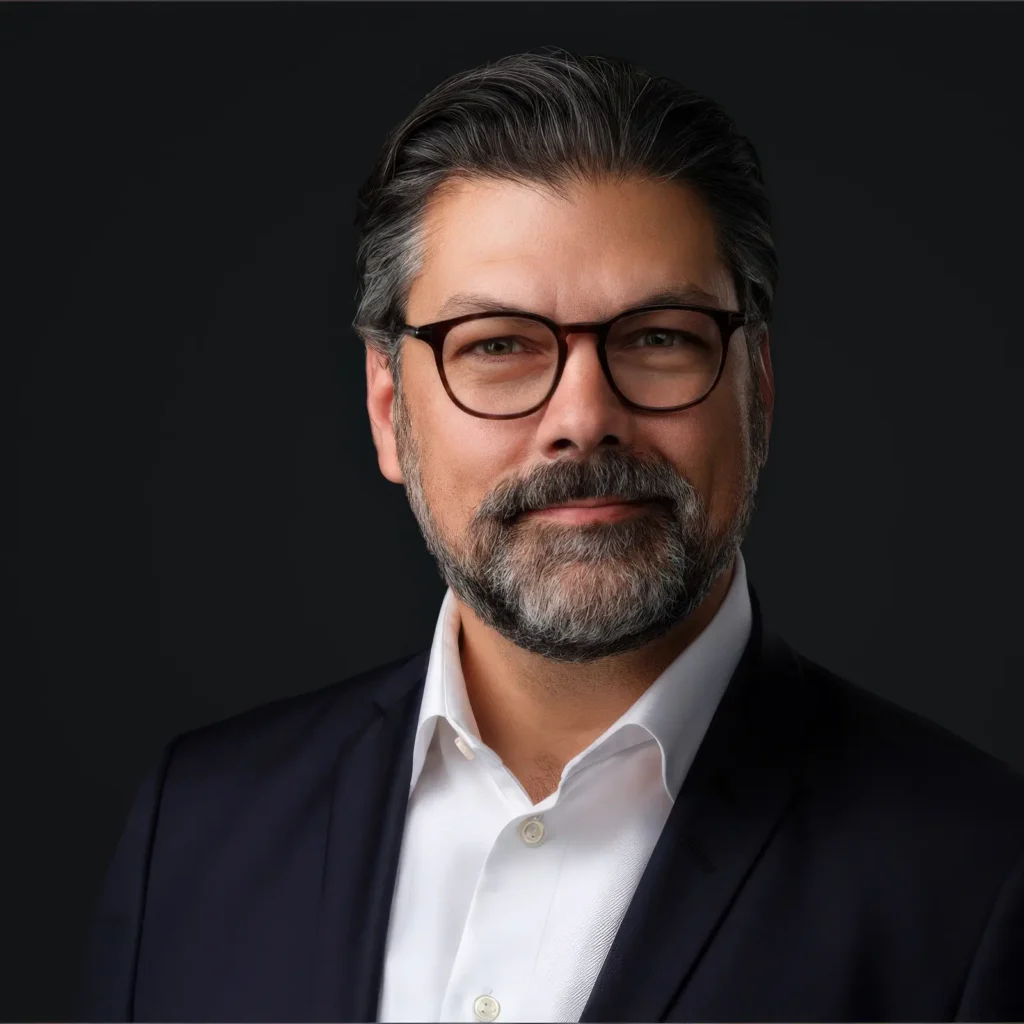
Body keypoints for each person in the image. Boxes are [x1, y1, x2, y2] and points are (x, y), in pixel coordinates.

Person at [78, 47, 1024, 1023]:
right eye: (497, 345)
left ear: (760, 388)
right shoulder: (192, 826)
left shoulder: (982, 876)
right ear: (385, 405)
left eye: (658, 336)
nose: (583, 415)